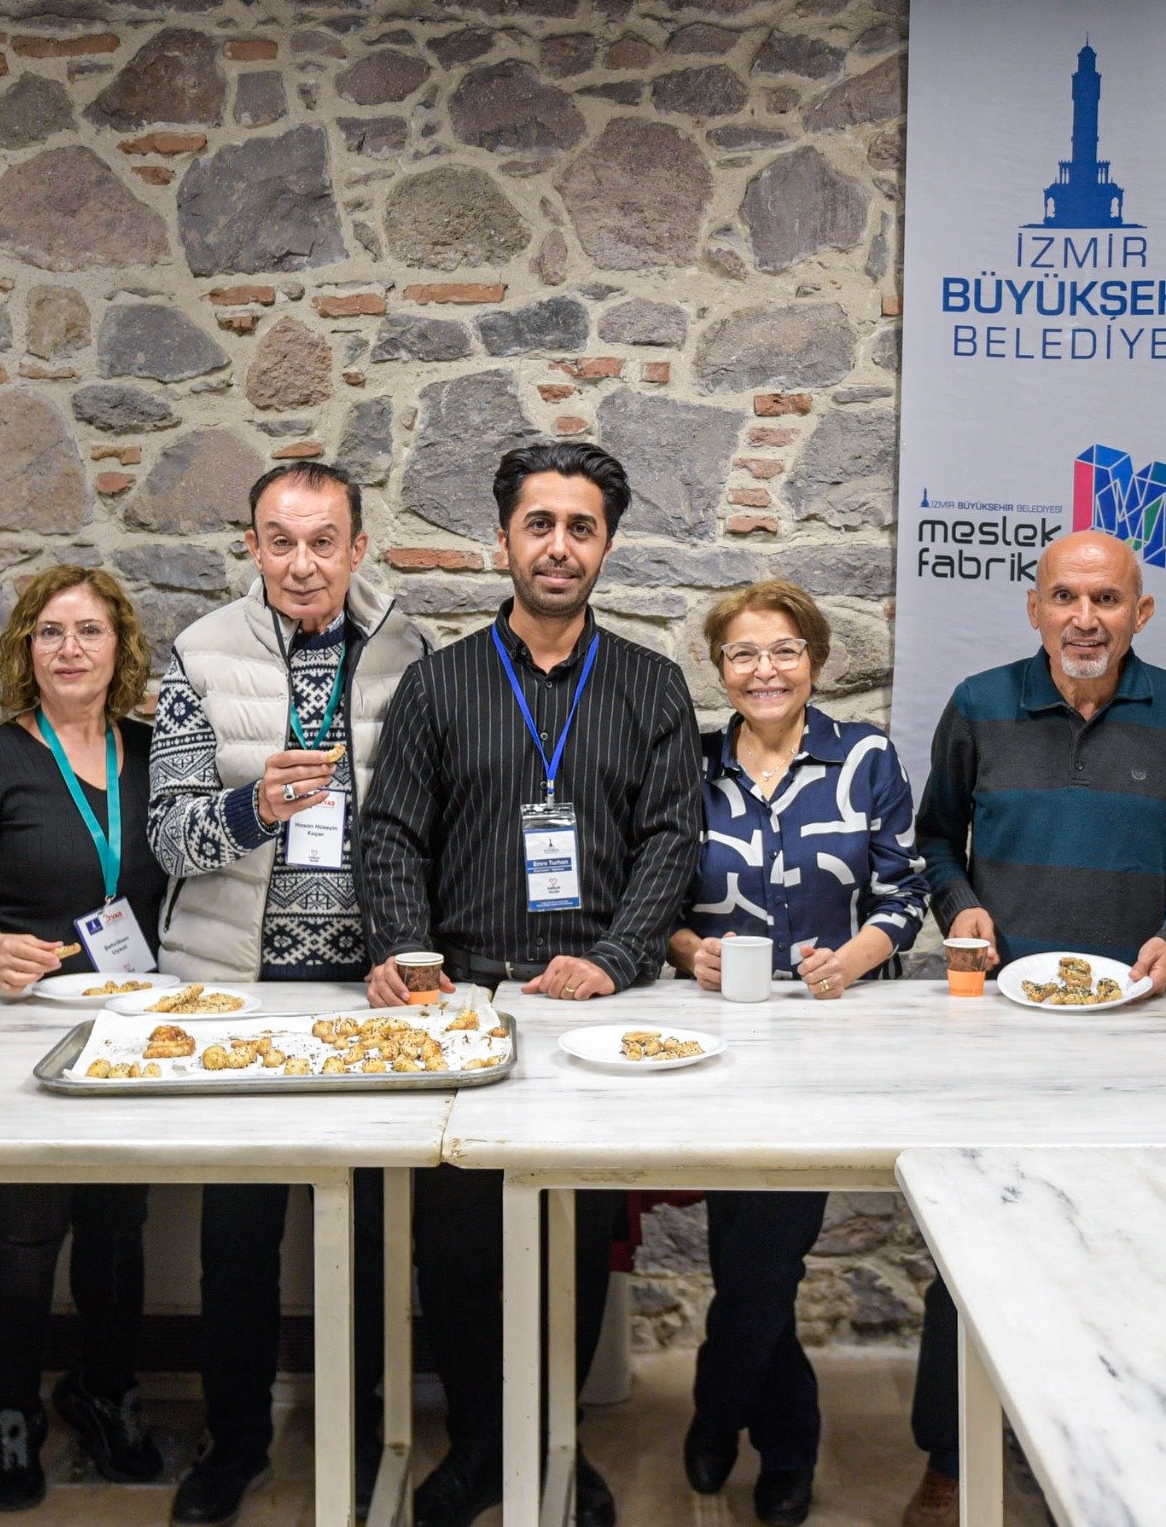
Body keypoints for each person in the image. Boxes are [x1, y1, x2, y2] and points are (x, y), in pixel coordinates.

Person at [359, 441, 699, 1527]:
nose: (559, 545)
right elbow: (391, 833)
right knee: (456, 1245)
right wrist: (408, 954)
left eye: (580, 526)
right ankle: (478, 1447)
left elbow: (671, 839)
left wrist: (614, 957)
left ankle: (559, 1441)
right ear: (502, 539)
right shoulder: (439, 682)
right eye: (539, 524)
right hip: (462, 1002)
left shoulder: (651, 684)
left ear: (607, 544)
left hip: (592, 1007)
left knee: (576, 1237)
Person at [903, 528, 1166, 1527]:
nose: (1084, 618)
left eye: (1106, 599)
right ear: (1034, 608)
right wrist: (960, 905)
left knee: (1122, 1248)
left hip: (1138, 1036)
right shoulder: (979, 703)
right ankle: (951, 1463)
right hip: (1004, 1033)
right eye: (1064, 597)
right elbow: (934, 837)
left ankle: (1101, 1462)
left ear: (1140, 613)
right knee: (968, 1249)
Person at [142, 460, 429, 1524]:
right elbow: (169, 836)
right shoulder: (198, 654)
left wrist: (412, 948)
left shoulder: (410, 652)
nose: (301, 563)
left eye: (322, 541)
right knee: (236, 1238)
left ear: (358, 547)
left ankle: (361, 1430)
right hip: (239, 992)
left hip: (366, 994)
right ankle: (236, 1441)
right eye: (280, 541)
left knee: (369, 1233)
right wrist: (252, 808)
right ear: (252, 546)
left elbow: (433, 824)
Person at [668, 581, 929, 1527]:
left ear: (815, 659)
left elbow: (906, 891)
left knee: (766, 1257)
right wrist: (685, 950)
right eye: (743, 654)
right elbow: (656, 892)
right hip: (719, 1047)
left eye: (784, 650)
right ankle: (776, 1431)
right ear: (721, 669)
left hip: (828, 1046)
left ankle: (726, 1411)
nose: (764, 670)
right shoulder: (691, 765)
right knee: (746, 1250)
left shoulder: (865, 757)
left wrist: (855, 958)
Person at [0, 566, 169, 1511]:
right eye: (51, 632)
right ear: (26, 649)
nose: (71, 649)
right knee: (26, 1232)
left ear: (120, 648)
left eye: (90, 632)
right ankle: (14, 1412)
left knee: (117, 1228)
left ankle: (107, 1394)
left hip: (133, 1027)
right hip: (26, 1030)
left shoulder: (153, 753)